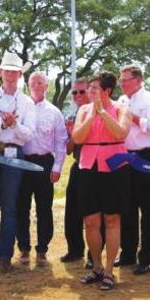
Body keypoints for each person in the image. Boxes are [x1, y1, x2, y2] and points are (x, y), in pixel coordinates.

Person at [72, 71, 131, 291]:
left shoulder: (122, 108)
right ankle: (96, 266)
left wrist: (103, 113)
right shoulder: (83, 110)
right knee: (91, 222)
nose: (90, 92)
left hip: (114, 168)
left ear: (107, 90)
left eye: (95, 88)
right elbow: (77, 137)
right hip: (88, 167)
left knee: (112, 220)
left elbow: (121, 133)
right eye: (89, 88)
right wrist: (92, 115)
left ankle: (109, 271)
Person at [0, 54, 35, 273]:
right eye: (7, 71)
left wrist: (14, 126)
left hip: (13, 153)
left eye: (15, 72)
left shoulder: (27, 102)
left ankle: (5, 255)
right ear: (0, 72)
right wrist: (5, 127)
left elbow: (27, 135)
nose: (11, 75)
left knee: (10, 206)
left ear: (21, 75)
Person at [16, 72, 67, 266]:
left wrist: (57, 167)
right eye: (33, 82)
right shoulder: (21, 109)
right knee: (22, 207)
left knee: (44, 208)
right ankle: (24, 248)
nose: (36, 86)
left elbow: (61, 141)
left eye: (40, 82)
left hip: (45, 163)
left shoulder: (54, 112)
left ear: (47, 86)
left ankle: (42, 250)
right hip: (22, 161)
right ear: (28, 86)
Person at [116, 64, 150, 275]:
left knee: (149, 209)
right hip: (127, 158)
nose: (121, 83)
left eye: (125, 79)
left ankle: (146, 257)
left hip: (146, 156)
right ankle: (127, 254)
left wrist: (132, 117)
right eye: (120, 79)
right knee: (127, 208)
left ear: (138, 80)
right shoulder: (122, 101)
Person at [61, 78, 89, 263]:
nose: (78, 95)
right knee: (72, 211)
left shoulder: (96, 112)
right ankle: (75, 249)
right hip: (78, 164)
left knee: (94, 213)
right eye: (75, 92)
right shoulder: (72, 116)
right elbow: (69, 149)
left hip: (96, 167)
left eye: (82, 91)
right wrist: (72, 134)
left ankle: (93, 256)